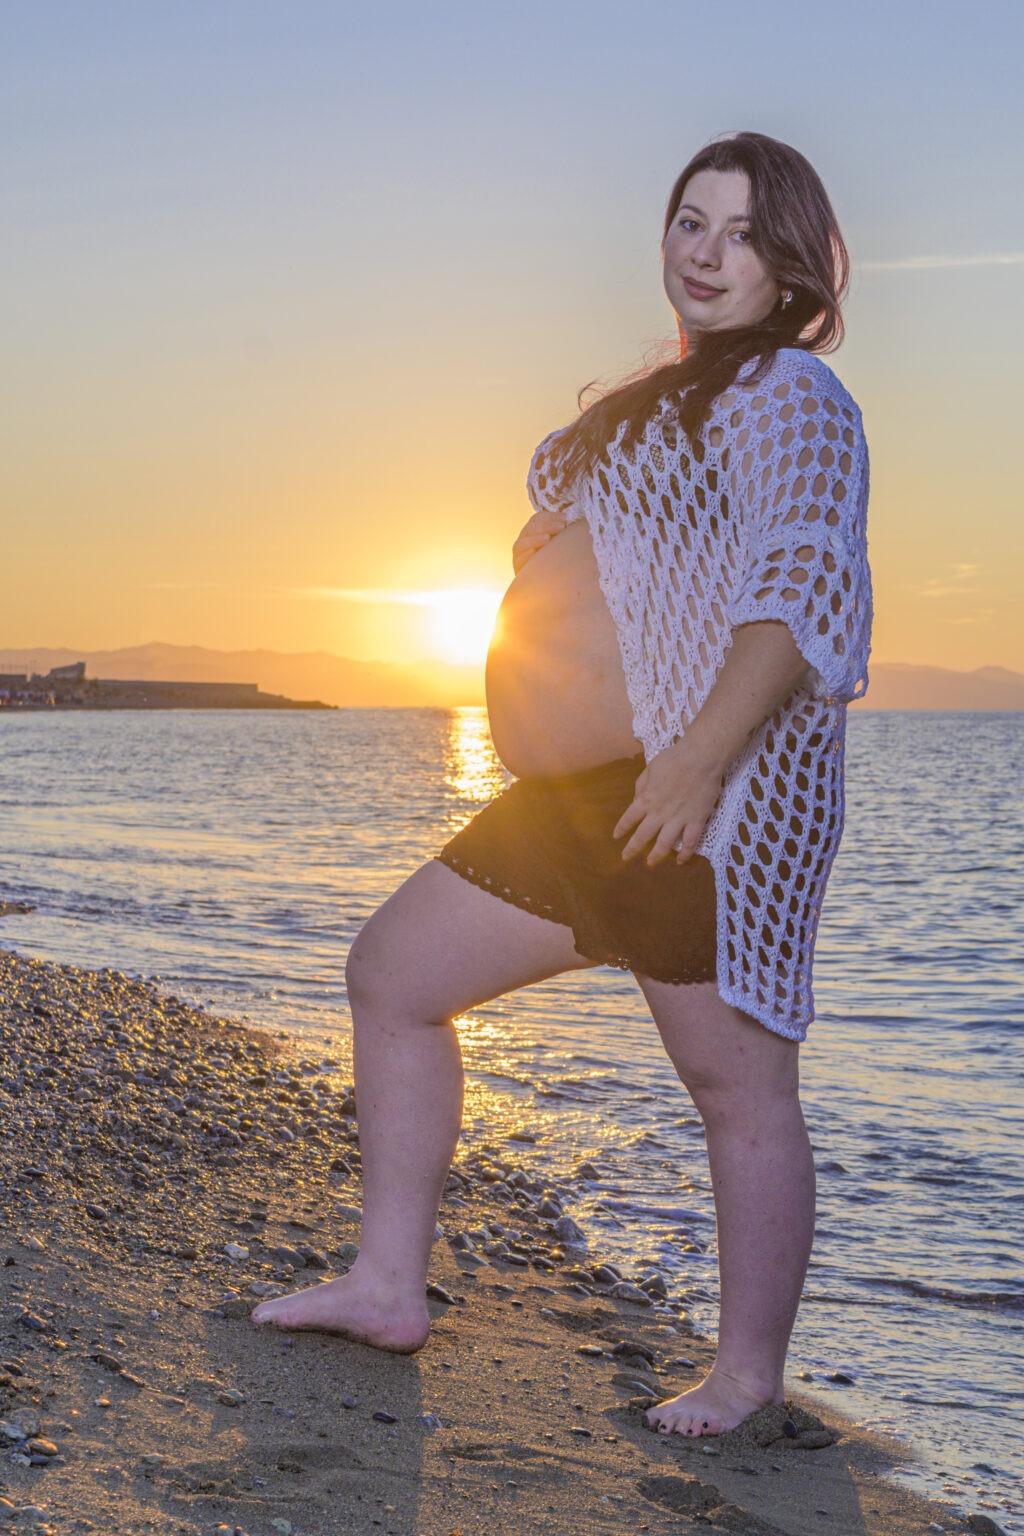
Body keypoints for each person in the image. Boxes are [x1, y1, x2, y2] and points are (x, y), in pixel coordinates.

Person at [253, 130, 872, 1440]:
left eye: (744, 233)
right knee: (396, 977)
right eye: (688, 222)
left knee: (740, 1094)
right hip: (573, 804)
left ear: (798, 261)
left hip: (687, 798)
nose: (706, 255)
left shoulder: (792, 399)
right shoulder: (658, 399)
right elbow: (631, 570)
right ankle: (385, 1285)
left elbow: (799, 587)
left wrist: (699, 762)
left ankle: (748, 1374)